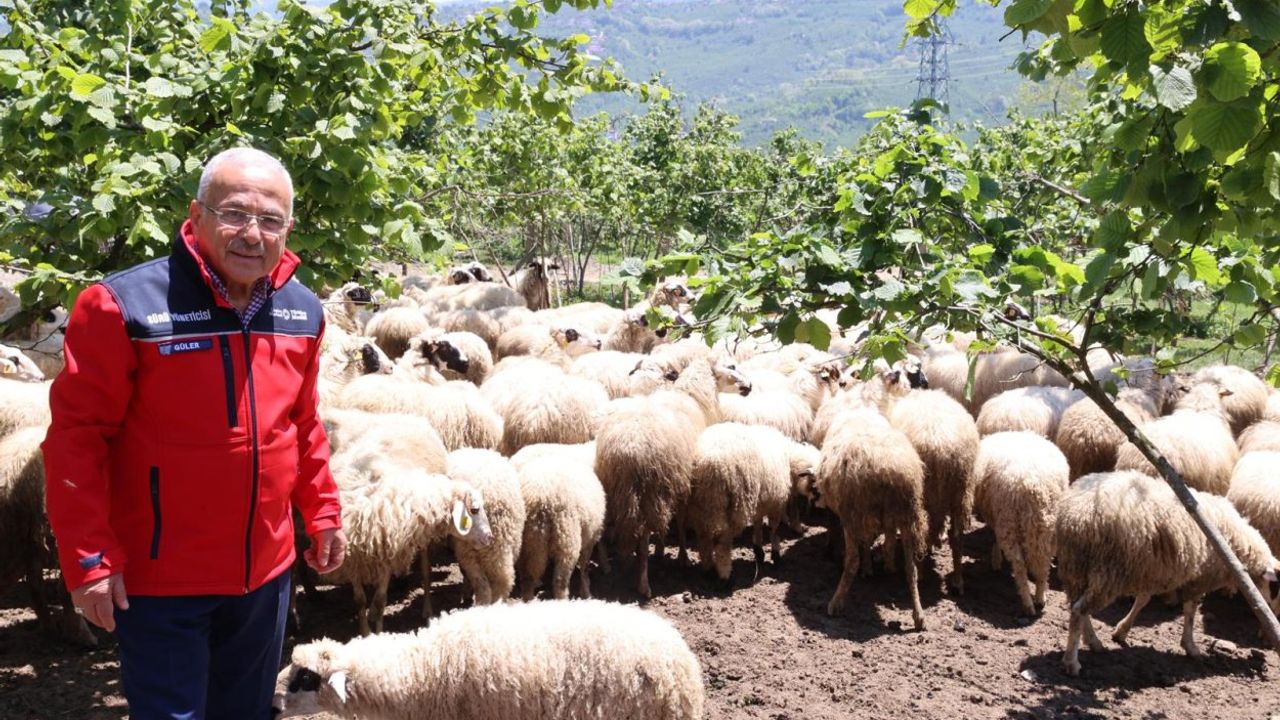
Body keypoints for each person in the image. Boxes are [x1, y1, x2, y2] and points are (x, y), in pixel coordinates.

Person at [42, 147, 347, 719]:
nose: (252, 233)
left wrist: (323, 512)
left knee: (248, 712)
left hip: (265, 572)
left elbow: (301, 424)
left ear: (288, 227)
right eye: (234, 213)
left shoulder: (302, 311)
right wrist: (88, 562)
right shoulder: (123, 306)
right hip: (161, 578)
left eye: (270, 219)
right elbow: (76, 440)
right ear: (197, 214)